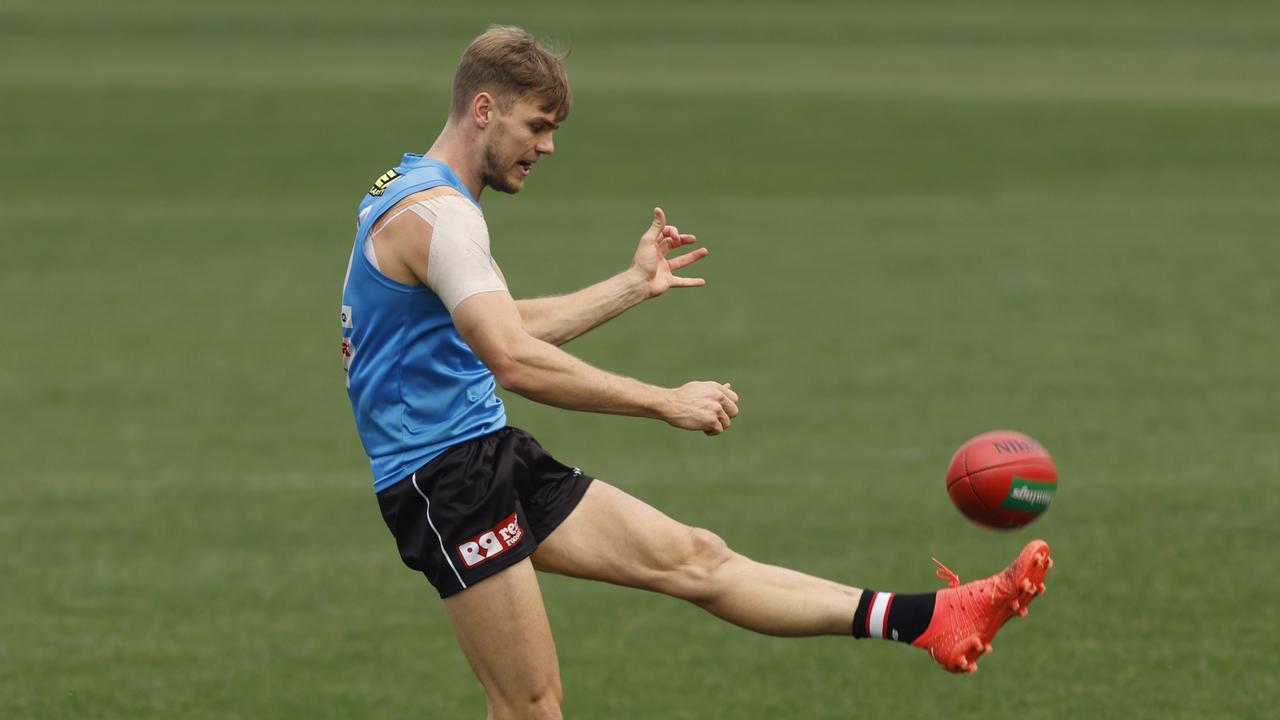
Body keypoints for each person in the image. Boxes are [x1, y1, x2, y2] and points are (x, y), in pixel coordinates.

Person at [339, 25, 1052, 720]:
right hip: (442, 482)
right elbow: (512, 358)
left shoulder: (426, 194)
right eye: (537, 125)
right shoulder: (438, 217)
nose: (548, 146)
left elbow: (500, 326)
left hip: (485, 450)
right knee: (529, 707)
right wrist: (664, 401)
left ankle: (933, 618)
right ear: (485, 109)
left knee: (696, 557)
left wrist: (631, 284)